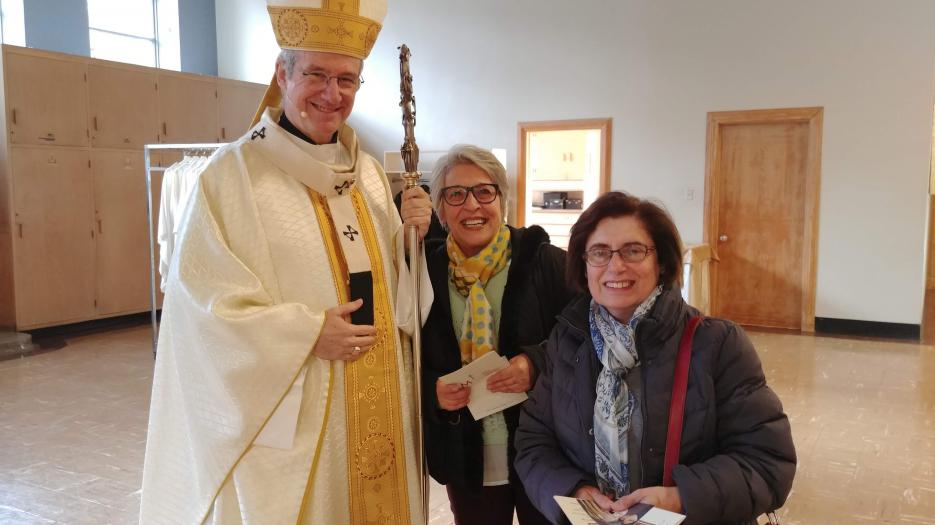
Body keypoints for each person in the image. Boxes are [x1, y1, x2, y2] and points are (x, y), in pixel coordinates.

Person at [139, 1, 434, 523]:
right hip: (302, 416)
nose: (331, 93)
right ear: (282, 74)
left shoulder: (365, 173)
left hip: (380, 401)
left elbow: (397, 294)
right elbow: (203, 307)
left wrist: (412, 243)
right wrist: (304, 332)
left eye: (347, 79)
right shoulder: (229, 178)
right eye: (316, 74)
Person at [514, 192, 796, 525]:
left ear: (660, 262)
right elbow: (534, 444)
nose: (616, 266)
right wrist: (575, 491)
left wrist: (679, 498)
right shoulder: (568, 341)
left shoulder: (718, 344)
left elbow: (767, 462)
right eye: (599, 253)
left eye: (633, 251)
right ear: (583, 265)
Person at [421, 145, 574, 525]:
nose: (471, 205)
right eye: (455, 194)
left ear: (502, 199)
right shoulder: (423, 272)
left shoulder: (545, 261)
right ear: (440, 209)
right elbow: (403, 354)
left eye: (483, 191)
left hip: (545, 449)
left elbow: (584, 334)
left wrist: (536, 362)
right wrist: (431, 390)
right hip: (466, 453)